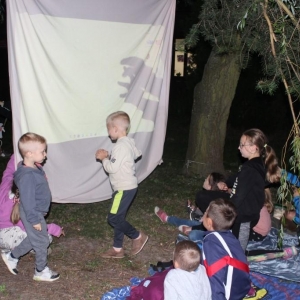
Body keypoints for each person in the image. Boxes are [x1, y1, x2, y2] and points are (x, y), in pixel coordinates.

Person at [1, 132, 60, 282]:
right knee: (41, 242)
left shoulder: (29, 166)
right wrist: (34, 220)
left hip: (35, 212)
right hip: (31, 213)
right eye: (42, 151)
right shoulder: (27, 176)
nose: (45, 154)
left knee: (35, 239)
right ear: (29, 153)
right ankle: (40, 270)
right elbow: (27, 201)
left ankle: (12, 256)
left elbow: (14, 168)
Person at [95, 111, 148, 258]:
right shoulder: (128, 142)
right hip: (129, 187)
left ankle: (137, 236)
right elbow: (137, 153)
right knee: (119, 218)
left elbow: (111, 168)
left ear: (116, 129)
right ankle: (117, 249)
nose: (108, 133)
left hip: (123, 188)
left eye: (109, 129)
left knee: (113, 218)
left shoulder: (120, 146)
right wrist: (115, 158)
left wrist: (104, 158)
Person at [0, 154, 64, 251]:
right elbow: (32, 226)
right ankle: (15, 252)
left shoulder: (5, 187)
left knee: (33, 235)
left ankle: (21, 247)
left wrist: (16, 155)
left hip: (7, 233)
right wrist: (54, 229)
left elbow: (8, 172)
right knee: (44, 238)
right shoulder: (26, 203)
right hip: (10, 236)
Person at [230, 128, 280, 251]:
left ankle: (239, 264)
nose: (239, 147)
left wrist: (226, 211)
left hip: (244, 217)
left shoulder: (250, 168)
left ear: (253, 148)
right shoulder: (259, 164)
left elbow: (239, 196)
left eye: (242, 145)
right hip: (249, 214)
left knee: (238, 250)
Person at [154, 172, 230, 243]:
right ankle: (167, 218)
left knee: (193, 234)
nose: (205, 179)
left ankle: (191, 233)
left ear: (212, 185)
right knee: (190, 222)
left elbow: (210, 225)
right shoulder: (211, 200)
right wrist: (195, 210)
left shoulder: (217, 202)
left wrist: (192, 229)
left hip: (215, 234)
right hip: (206, 225)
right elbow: (204, 216)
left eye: (207, 179)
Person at [201, 199, 251, 300]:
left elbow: (215, 275)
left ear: (209, 222)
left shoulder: (211, 243)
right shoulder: (228, 235)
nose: (204, 214)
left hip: (230, 293)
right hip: (242, 287)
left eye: (205, 213)